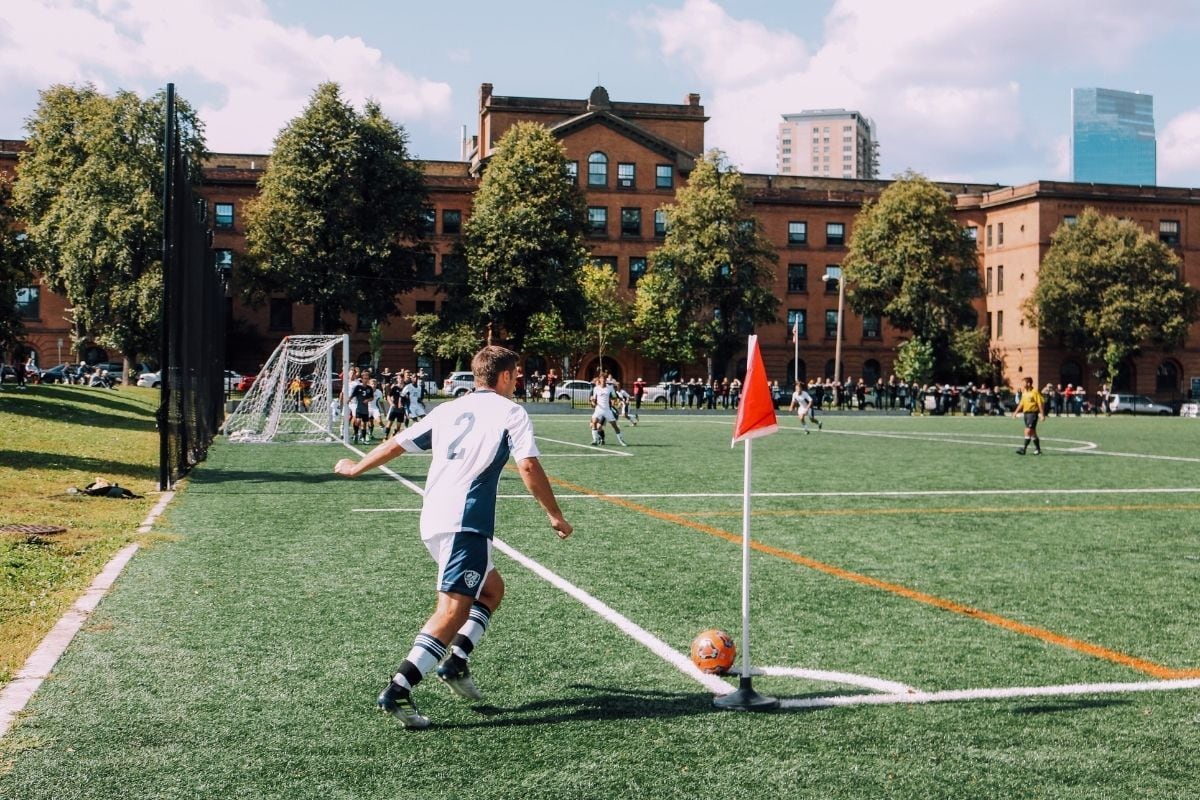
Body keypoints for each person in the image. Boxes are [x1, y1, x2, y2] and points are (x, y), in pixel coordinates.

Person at [333, 346, 572, 729]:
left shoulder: (447, 409)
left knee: (491, 590)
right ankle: (398, 689)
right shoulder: (511, 412)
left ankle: (456, 662)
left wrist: (357, 466)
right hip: (465, 521)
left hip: (433, 517)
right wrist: (554, 514)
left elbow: (397, 444)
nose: (518, 381)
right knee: (451, 610)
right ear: (506, 376)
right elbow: (527, 464)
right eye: (517, 375)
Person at [589, 375, 627, 446]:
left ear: (606, 380)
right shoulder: (596, 388)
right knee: (594, 422)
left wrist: (616, 400)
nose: (603, 380)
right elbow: (594, 398)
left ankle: (621, 441)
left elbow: (614, 396)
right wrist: (593, 402)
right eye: (602, 379)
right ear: (599, 380)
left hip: (607, 410)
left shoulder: (610, 388)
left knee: (614, 425)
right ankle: (595, 440)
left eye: (604, 379)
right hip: (598, 409)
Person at [1013, 376, 1046, 455]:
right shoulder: (1024, 392)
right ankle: (1038, 449)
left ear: (1028, 383)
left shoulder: (1035, 392)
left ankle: (1023, 449)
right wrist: (1015, 412)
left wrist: (1042, 414)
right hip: (1026, 414)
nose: (1022, 384)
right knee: (1032, 433)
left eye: (1023, 383)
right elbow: (1021, 403)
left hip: (1032, 414)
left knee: (1027, 431)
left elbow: (1040, 403)